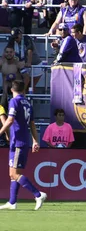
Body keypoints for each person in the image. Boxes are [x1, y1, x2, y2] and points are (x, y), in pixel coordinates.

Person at [0, 80, 47, 210]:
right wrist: (35, 141)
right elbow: (32, 124)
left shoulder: (14, 101)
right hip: (22, 140)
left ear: (11, 90)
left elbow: (10, 120)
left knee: (15, 174)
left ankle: (38, 194)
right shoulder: (27, 103)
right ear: (24, 89)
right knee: (13, 173)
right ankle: (12, 202)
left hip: (18, 142)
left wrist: (1, 132)